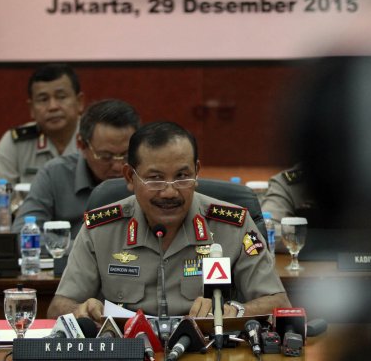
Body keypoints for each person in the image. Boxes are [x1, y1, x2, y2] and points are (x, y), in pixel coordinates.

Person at [47, 121, 289, 322]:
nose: (170, 192)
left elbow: (279, 303)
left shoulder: (232, 225)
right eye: (155, 179)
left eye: (182, 176)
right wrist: (81, 310)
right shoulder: (101, 228)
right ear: (130, 177)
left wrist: (235, 311)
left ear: (197, 172)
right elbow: (58, 307)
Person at [11, 99, 140, 238]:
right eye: (105, 156)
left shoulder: (147, 177)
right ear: (81, 145)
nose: (118, 166)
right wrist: (80, 248)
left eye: (126, 155)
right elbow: (23, 233)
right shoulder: (55, 174)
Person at [0, 64, 85, 220]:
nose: (53, 106)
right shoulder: (16, 143)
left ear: (79, 102)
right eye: (43, 99)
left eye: (61, 97)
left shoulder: (95, 139)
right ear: (31, 108)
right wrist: (29, 212)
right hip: (32, 228)